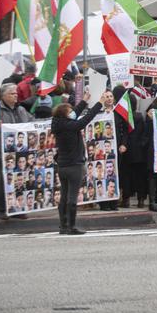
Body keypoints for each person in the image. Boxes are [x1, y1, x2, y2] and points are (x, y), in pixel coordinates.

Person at [51, 95, 103, 235]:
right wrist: (99, 103)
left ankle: (63, 225)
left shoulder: (58, 123)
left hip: (62, 165)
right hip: (74, 165)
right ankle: (72, 227)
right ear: (65, 115)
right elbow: (86, 120)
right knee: (72, 197)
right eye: (69, 111)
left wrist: (84, 101)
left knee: (64, 195)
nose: (72, 112)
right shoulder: (71, 126)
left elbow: (75, 114)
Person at [0, 84, 33, 220]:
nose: (15, 95)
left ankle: (17, 208)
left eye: (16, 93)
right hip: (2, 151)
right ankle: (0, 209)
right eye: (12, 93)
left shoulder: (21, 109)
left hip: (20, 151)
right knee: (2, 181)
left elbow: (32, 122)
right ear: (4, 96)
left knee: (19, 180)